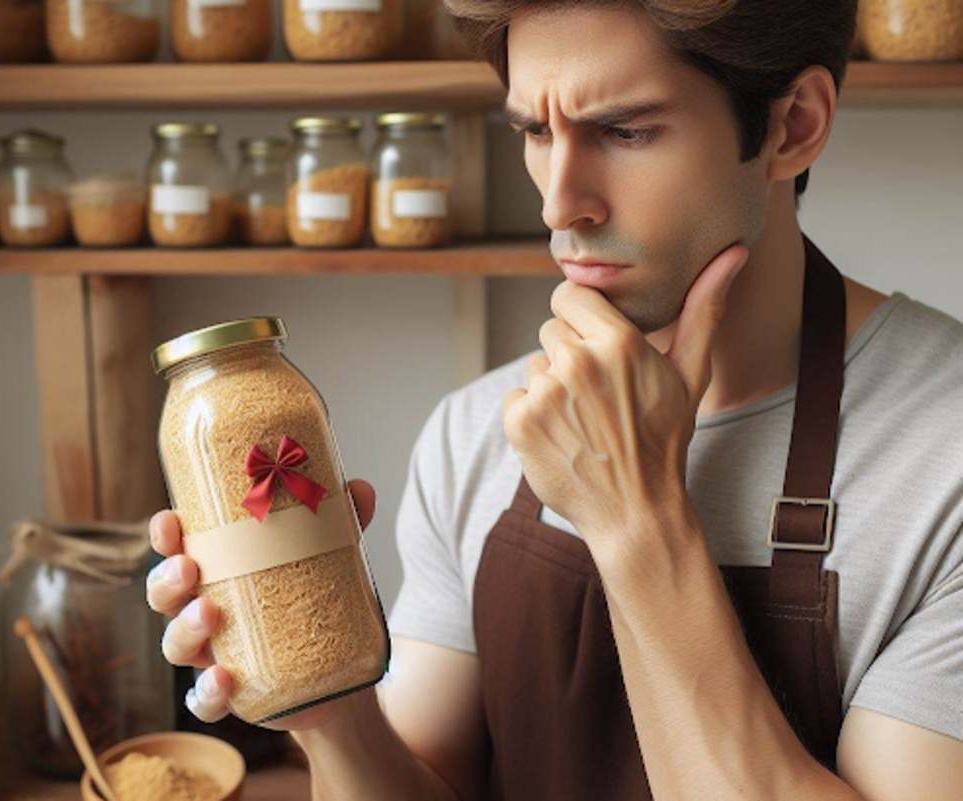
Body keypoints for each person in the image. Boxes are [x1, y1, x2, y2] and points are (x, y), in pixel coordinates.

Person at [147, 2, 963, 798]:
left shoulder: (945, 455)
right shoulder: (473, 434)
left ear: (793, 126)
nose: (557, 203)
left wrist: (635, 514)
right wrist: (334, 716)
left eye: (625, 130)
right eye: (535, 132)